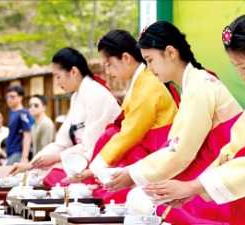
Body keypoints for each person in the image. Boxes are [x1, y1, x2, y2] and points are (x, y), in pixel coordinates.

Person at [144, 15, 245, 225]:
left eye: (244, 67)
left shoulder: (201, 84)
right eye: (236, 67)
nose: (241, 75)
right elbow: (235, 145)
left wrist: (196, 186)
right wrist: (197, 186)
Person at [106, 21, 242, 224]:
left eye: (150, 60)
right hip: (210, 171)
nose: (149, 69)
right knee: (142, 200)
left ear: (170, 52)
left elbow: (180, 152)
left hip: (220, 177)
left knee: (145, 203)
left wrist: (134, 174)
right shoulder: (194, 83)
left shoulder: (199, 86)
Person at [72, 29, 177, 203]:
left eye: (109, 64)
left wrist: (97, 166)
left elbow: (130, 134)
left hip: (156, 152)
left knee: (113, 194)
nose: (107, 70)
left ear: (126, 58)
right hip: (145, 149)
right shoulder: (140, 81)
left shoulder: (147, 85)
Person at [9, 47, 121, 184]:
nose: (57, 82)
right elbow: (62, 142)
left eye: (58, 76)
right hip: (82, 164)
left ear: (73, 72)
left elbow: (91, 146)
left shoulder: (97, 94)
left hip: (106, 168)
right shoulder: (76, 97)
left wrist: (58, 157)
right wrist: (30, 165)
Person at [5, 85, 33, 165]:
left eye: (12, 97)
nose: (9, 99)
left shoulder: (23, 113)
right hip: (10, 152)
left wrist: (24, 158)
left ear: (20, 97)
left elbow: (27, 135)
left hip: (18, 153)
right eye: (7, 97)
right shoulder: (12, 112)